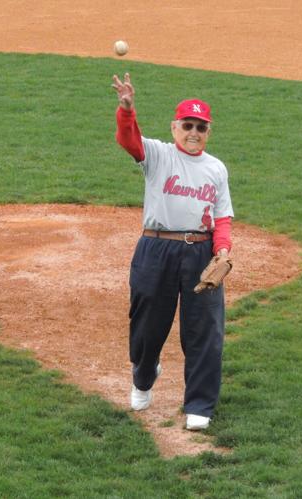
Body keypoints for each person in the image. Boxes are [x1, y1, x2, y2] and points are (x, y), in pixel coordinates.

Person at [111, 73, 234, 431]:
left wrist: (222, 251)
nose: (193, 132)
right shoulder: (158, 155)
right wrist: (127, 108)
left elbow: (222, 216)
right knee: (147, 326)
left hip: (200, 253)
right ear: (175, 126)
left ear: (208, 131)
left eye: (200, 126)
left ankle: (199, 404)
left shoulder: (216, 169)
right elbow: (128, 140)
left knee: (204, 330)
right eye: (187, 125)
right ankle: (144, 374)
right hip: (156, 249)